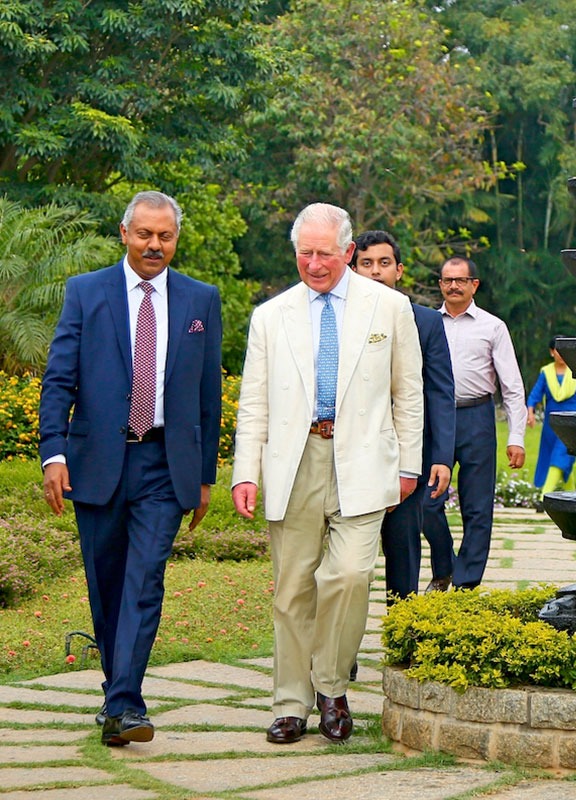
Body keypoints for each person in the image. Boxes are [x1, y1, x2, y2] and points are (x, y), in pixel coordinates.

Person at [231, 204, 423, 745]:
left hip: (363, 460)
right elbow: (254, 403)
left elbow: (408, 392)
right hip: (294, 462)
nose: (314, 264)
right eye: (305, 253)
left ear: (347, 252)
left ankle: (332, 687)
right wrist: (245, 471)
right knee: (292, 589)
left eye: (325, 253)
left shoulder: (389, 308)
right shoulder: (271, 315)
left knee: (350, 576)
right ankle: (291, 702)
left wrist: (408, 462)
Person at [39, 191, 223, 747]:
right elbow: (59, 379)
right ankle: (116, 694)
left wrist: (205, 474)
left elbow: (207, 394)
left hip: (165, 464)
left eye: (165, 236)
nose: (154, 245)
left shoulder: (201, 299)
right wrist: (53, 453)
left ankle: (127, 706)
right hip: (96, 462)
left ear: (175, 240)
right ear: (125, 234)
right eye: (144, 234)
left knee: (144, 581)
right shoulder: (86, 292)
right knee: (108, 586)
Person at [350, 230, 455, 599]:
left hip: (408, 454)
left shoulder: (426, 322)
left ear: (399, 270)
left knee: (403, 548)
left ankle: (403, 633)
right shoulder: (340, 319)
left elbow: (441, 393)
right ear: (352, 268)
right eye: (366, 264)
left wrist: (441, 457)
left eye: (384, 263)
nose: (375, 271)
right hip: (351, 452)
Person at [424, 256, 526, 589]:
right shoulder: (426, 323)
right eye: (447, 280)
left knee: (477, 507)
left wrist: (517, 437)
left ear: (474, 285)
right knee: (426, 502)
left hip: (477, 419)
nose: (453, 286)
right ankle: (445, 566)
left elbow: (512, 387)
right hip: (435, 419)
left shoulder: (492, 327)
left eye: (461, 280)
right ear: (440, 284)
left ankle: (466, 581)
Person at [527, 336, 576, 498]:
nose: (561, 355)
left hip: (572, 423)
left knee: (560, 455)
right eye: (558, 350)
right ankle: (570, 494)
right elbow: (535, 394)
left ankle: (544, 496)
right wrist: (530, 412)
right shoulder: (546, 372)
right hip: (552, 424)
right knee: (561, 459)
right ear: (551, 352)